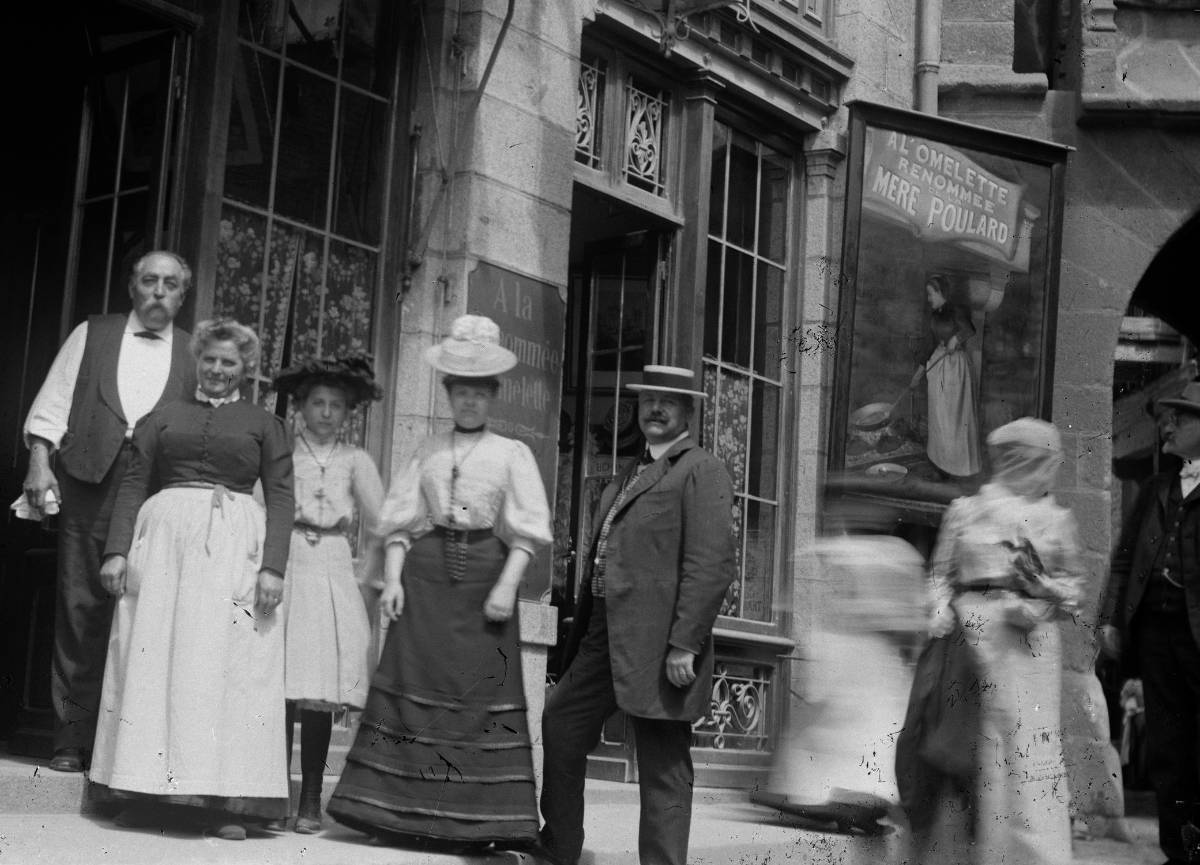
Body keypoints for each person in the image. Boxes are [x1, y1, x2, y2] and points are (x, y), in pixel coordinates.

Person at [326, 314, 553, 851]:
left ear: (492, 396)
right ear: (448, 394)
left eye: (479, 393)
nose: (469, 402)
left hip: (484, 579)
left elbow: (528, 530)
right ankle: (392, 814)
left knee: (474, 696)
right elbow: (401, 519)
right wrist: (395, 580)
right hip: (426, 578)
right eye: (460, 392)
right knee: (411, 688)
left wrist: (507, 585)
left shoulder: (511, 453)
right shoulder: (427, 449)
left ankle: (474, 824)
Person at [88, 319, 294, 840]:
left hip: (234, 550)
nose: (218, 370)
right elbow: (134, 482)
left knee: (228, 668)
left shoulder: (265, 424)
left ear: (244, 368)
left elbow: (282, 497)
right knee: (154, 660)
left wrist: (273, 566)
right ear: (196, 363)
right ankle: (145, 793)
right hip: (163, 549)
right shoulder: (163, 417)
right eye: (210, 361)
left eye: (229, 362)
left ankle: (225, 805)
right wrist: (116, 551)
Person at [537, 364, 736, 865]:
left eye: (669, 401)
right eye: (648, 399)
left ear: (688, 412)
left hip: (660, 641)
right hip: (603, 634)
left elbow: (711, 565)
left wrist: (686, 643)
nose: (656, 409)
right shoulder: (631, 473)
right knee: (561, 724)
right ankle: (559, 848)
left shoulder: (700, 469)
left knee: (663, 760)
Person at [21, 250, 197, 773]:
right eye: (149, 280)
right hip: (88, 483)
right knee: (80, 608)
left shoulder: (194, 352)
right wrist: (39, 464)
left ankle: (124, 750)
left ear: (182, 295)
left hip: (158, 494)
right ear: (132, 286)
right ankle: (70, 740)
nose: (159, 291)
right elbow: (52, 404)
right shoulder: (92, 334)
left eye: (170, 284)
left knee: (146, 611)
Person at [914, 417, 1084, 865]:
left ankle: (1034, 855)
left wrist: (1043, 595)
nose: (1044, 471)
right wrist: (938, 611)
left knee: (1030, 744)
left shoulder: (1057, 518)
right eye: (1038, 461)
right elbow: (939, 575)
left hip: (1031, 641)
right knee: (978, 739)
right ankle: (979, 852)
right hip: (973, 637)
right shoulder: (966, 510)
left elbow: (1075, 590)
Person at [268, 355, 385, 834]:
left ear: (348, 411)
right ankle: (275, 794)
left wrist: (366, 573)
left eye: (336, 405)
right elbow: (261, 510)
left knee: (318, 689)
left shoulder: (356, 460)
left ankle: (311, 798)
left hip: (333, 562)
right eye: (317, 402)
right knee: (281, 684)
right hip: (288, 559)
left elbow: (382, 522)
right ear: (299, 407)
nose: (326, 412)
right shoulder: (282, 454)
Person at [1101, 381, 1200, 865]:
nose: (1168, 425)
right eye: (1168, 416)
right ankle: (1174, 851)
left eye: (1180, 418)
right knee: (1167, 746)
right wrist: (1110, 620)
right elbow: (1123, 563)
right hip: (1158, 636)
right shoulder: (1157, 489)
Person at [909, 274, 981, 477]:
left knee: (955, 419)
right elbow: (928, 347)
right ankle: (942, 463)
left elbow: (969, 329)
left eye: (931, 294)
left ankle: (958, 465)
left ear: (941, 293)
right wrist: (918, 375)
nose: (929, 298)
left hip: (955, 369)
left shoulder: (955, 311)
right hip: (938, 368)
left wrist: (955, 339)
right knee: (940, 418)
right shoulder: (934, 316)